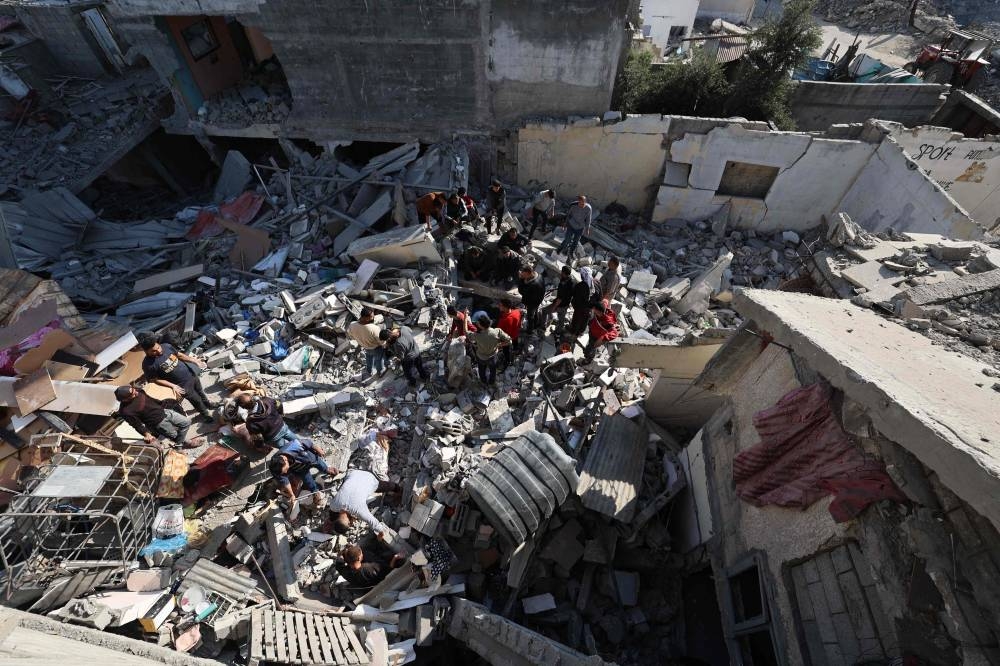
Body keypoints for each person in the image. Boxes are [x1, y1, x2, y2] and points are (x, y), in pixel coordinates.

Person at [139, 333, 214, 420]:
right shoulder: (147, 365)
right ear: (146, 351)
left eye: (158, 347)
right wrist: (173, 386)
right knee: (196, 400)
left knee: (201, 392)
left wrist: (195, 361)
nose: (159, 351)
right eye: (154, 351)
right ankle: (205, 414)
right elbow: (155, 380)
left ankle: (209, 404)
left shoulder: (166, 346)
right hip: (181, 385)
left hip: (190, 375)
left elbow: (179, 355)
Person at [115, 385, 201, 449]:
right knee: (175, 435)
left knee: (186, 422)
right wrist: (147, 434)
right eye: (133, 394)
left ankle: (179, 445)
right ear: (125, 399)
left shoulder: (138, 390)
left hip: (164, 411)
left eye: (134, 390)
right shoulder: (125, 411)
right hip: (158, 423)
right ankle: (187, 444)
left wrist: (162, 404)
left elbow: (150, 398)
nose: (136, 392)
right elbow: (137, 425)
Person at [331, 467, 401, 537]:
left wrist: (381, 532)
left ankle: (399, 489)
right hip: (354, 473)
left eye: (350, 523)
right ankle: (397, 488)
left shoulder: (358, 509)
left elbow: (373, 522)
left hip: (369, 478)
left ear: (349, 523)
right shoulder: (333, 505)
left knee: (381, 486)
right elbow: (335, 511)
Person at [269, 438, 330, 510]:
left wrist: (318, 449)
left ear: (285, 459)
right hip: (300, 470)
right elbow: (284, 480)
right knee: (309, 482)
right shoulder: (275, 468)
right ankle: (316, 492)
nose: (286, 473)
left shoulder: (294, 446)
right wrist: (292, 495)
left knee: (322, 466)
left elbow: (308, 442)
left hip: (310, 459)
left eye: (285, 469)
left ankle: (327, 470)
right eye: (284, 472)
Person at [336, 544, 406, 588]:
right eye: (361, 554)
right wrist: (395, 558)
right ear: (359, 558)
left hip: (363, 584)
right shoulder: (370, 568)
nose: (362, 554)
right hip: (377, 581)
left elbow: (338, 563)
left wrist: (346, 552)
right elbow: (389, 570)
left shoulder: (344, 571)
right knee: (385, 555)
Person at [470, 315, 511, 386]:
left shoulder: (476, 335)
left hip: (481, 357)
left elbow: (465, 332)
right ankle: (491, 382)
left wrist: (464, 318)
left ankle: (483, 381)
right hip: (493, 356)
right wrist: (499, 345)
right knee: (493, 370)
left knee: (481, 370)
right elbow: (509, 341)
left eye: (478, 323)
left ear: (481, 326)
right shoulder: (497, 331)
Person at [347, 307, 386, 378]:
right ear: (366, 318)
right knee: (378, 360)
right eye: (372, 317)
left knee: (369, 358)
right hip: (376, 348)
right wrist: (384, 345)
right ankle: (380, 372)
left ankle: (369, 371)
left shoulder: (352, 324)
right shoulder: (374, 328)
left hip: (365, 346)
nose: (373, 317)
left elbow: (351, 336)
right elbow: (381, 342)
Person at [558, 195, 593, 260]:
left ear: (585, 202)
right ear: (578, 202)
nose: (581, 205)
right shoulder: (573, 206)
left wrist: (587, 228)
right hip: (571, 225)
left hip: (580, 227)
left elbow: (588, 219)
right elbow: (568, 215)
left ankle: (571, 253)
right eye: (580, 204)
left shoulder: (588, 208)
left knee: (576, 241)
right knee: (568, 239)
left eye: (583, 204)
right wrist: (565, 224)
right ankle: (560, 248)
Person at [548, 266, 577, 333]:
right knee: (561, 319)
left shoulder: (563, 284)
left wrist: (554, 307)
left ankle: (544, 326)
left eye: (562, 271)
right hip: (566, 304)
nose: (561, 272)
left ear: (563, 273)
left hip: (560, 305)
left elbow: (560, 299)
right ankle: (558, 331)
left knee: (545, 311)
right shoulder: (572, 280)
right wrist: (556, 289)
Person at [517, 265, 545, 333]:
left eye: (524, 275)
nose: (523, 276)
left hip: (532, 303)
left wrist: (521, 279)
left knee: (530, 316)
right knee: (535, 312)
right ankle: (536, 324)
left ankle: (529, 330)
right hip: (539, 299)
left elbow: (521, 291)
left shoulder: (532, 285)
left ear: (529, 273)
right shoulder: (540, 276)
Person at [569, 267, 596, 337]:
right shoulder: (594, 283)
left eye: (581, 274)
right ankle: (580, 332)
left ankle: (573, 333)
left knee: (576, 320)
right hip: (589, 308)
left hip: (580, 308)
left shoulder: (581, 285)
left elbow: (575, 296)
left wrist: (574, 304)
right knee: (585, 320)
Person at [496, 299, 523, 368]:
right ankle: (516, 349)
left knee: (506, 349)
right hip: (516, 333)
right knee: (515, 342)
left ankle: (507, 360)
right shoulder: (517, 312)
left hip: (507, 338)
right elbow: (519, 323)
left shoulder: (505, 320)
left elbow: (503, 333)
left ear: (505, 307)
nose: (498, 306)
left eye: (500, 305)